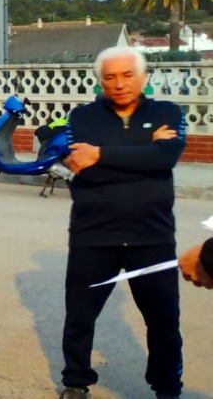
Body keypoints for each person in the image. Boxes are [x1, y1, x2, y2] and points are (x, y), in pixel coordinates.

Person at [58, 46, 186, 399]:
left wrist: (100, 153)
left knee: (163, 322)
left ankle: (167, 387)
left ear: (143, 78)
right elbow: (84, 171)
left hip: (152, 238)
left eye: (127, 75)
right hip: (93, 237)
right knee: (80, 318)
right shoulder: (82, 118)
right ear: (100, 81)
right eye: (110, 77)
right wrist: (144, 148)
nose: (119, 84)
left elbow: (166, 158)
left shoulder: (168, 112)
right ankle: (76, 382)